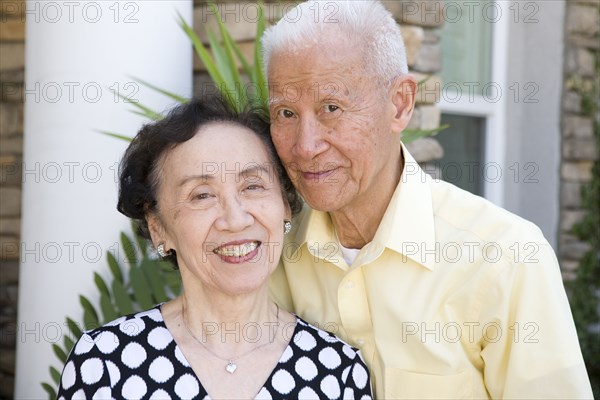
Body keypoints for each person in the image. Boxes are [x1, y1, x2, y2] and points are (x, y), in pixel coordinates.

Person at [262, 1, 594, 399]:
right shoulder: (272, 251)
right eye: (284, 113)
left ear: (400, 104)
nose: (306, 145)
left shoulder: (507, 257)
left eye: (331, 108)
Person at [57, 95, 373, 400]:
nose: (235, 220)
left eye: (252, 186)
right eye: (202, 195)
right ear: (158, 228)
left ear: (285, 208)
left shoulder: (336, 372)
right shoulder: (106, 365)